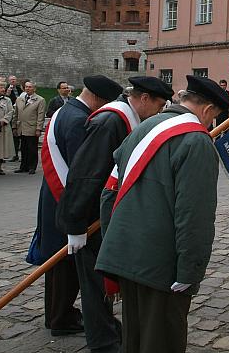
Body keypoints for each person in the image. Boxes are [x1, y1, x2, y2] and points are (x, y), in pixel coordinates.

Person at [96, 75, 229, 353]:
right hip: (161, 265)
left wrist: (113, 241)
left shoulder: (144, 126)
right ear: (208, 110)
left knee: (133, 338)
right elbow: (194, 216)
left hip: (125, 252)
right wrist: (190, 272)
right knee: (162, 340)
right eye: (214, 117)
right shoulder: (196, 141)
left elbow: (110, 192)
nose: (211, 124)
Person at [56, 76, 172, 353]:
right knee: (95, 285)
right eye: (158, 105)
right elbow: (84, 175)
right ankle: (103, 343)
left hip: (105, 216)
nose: (159, 112)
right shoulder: (110, 122)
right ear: (144, 99)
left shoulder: (125, 120)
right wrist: (75, 225)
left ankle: (108, 330)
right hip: (90, 219)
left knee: (103, 278)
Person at [30, 75, 123, 338]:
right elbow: (82, 170)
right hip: (65, 199)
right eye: (105, 102)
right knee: (66, 264)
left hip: (54, 196)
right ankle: (60, 318)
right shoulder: (79, 121)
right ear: (96, 97)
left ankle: (57, 314)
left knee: (60, 264)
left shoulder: (67, 110)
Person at [14, 81, 46, 174]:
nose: (27, 88)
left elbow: (41, 115)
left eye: (30, 87)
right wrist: (14, 126)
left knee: (32, 148)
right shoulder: (20, 99)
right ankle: (23, 166)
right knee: (23, 148)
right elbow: (16, 113)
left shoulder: (40, 100)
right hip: (21, 127)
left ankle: (32, 166)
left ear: (34, 89)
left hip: (32, 127)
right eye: (26, 87)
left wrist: (38, 128)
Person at [7, 75, 22, 161]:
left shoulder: (19, 89)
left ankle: (16, 154)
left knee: (17, 135)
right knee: (13, 134)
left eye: (14, 80)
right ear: (9, 81)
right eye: (11, 80)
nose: (13, 81)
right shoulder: (7, 89)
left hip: (19, 112)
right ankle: (14, 154)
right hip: (12, 112)